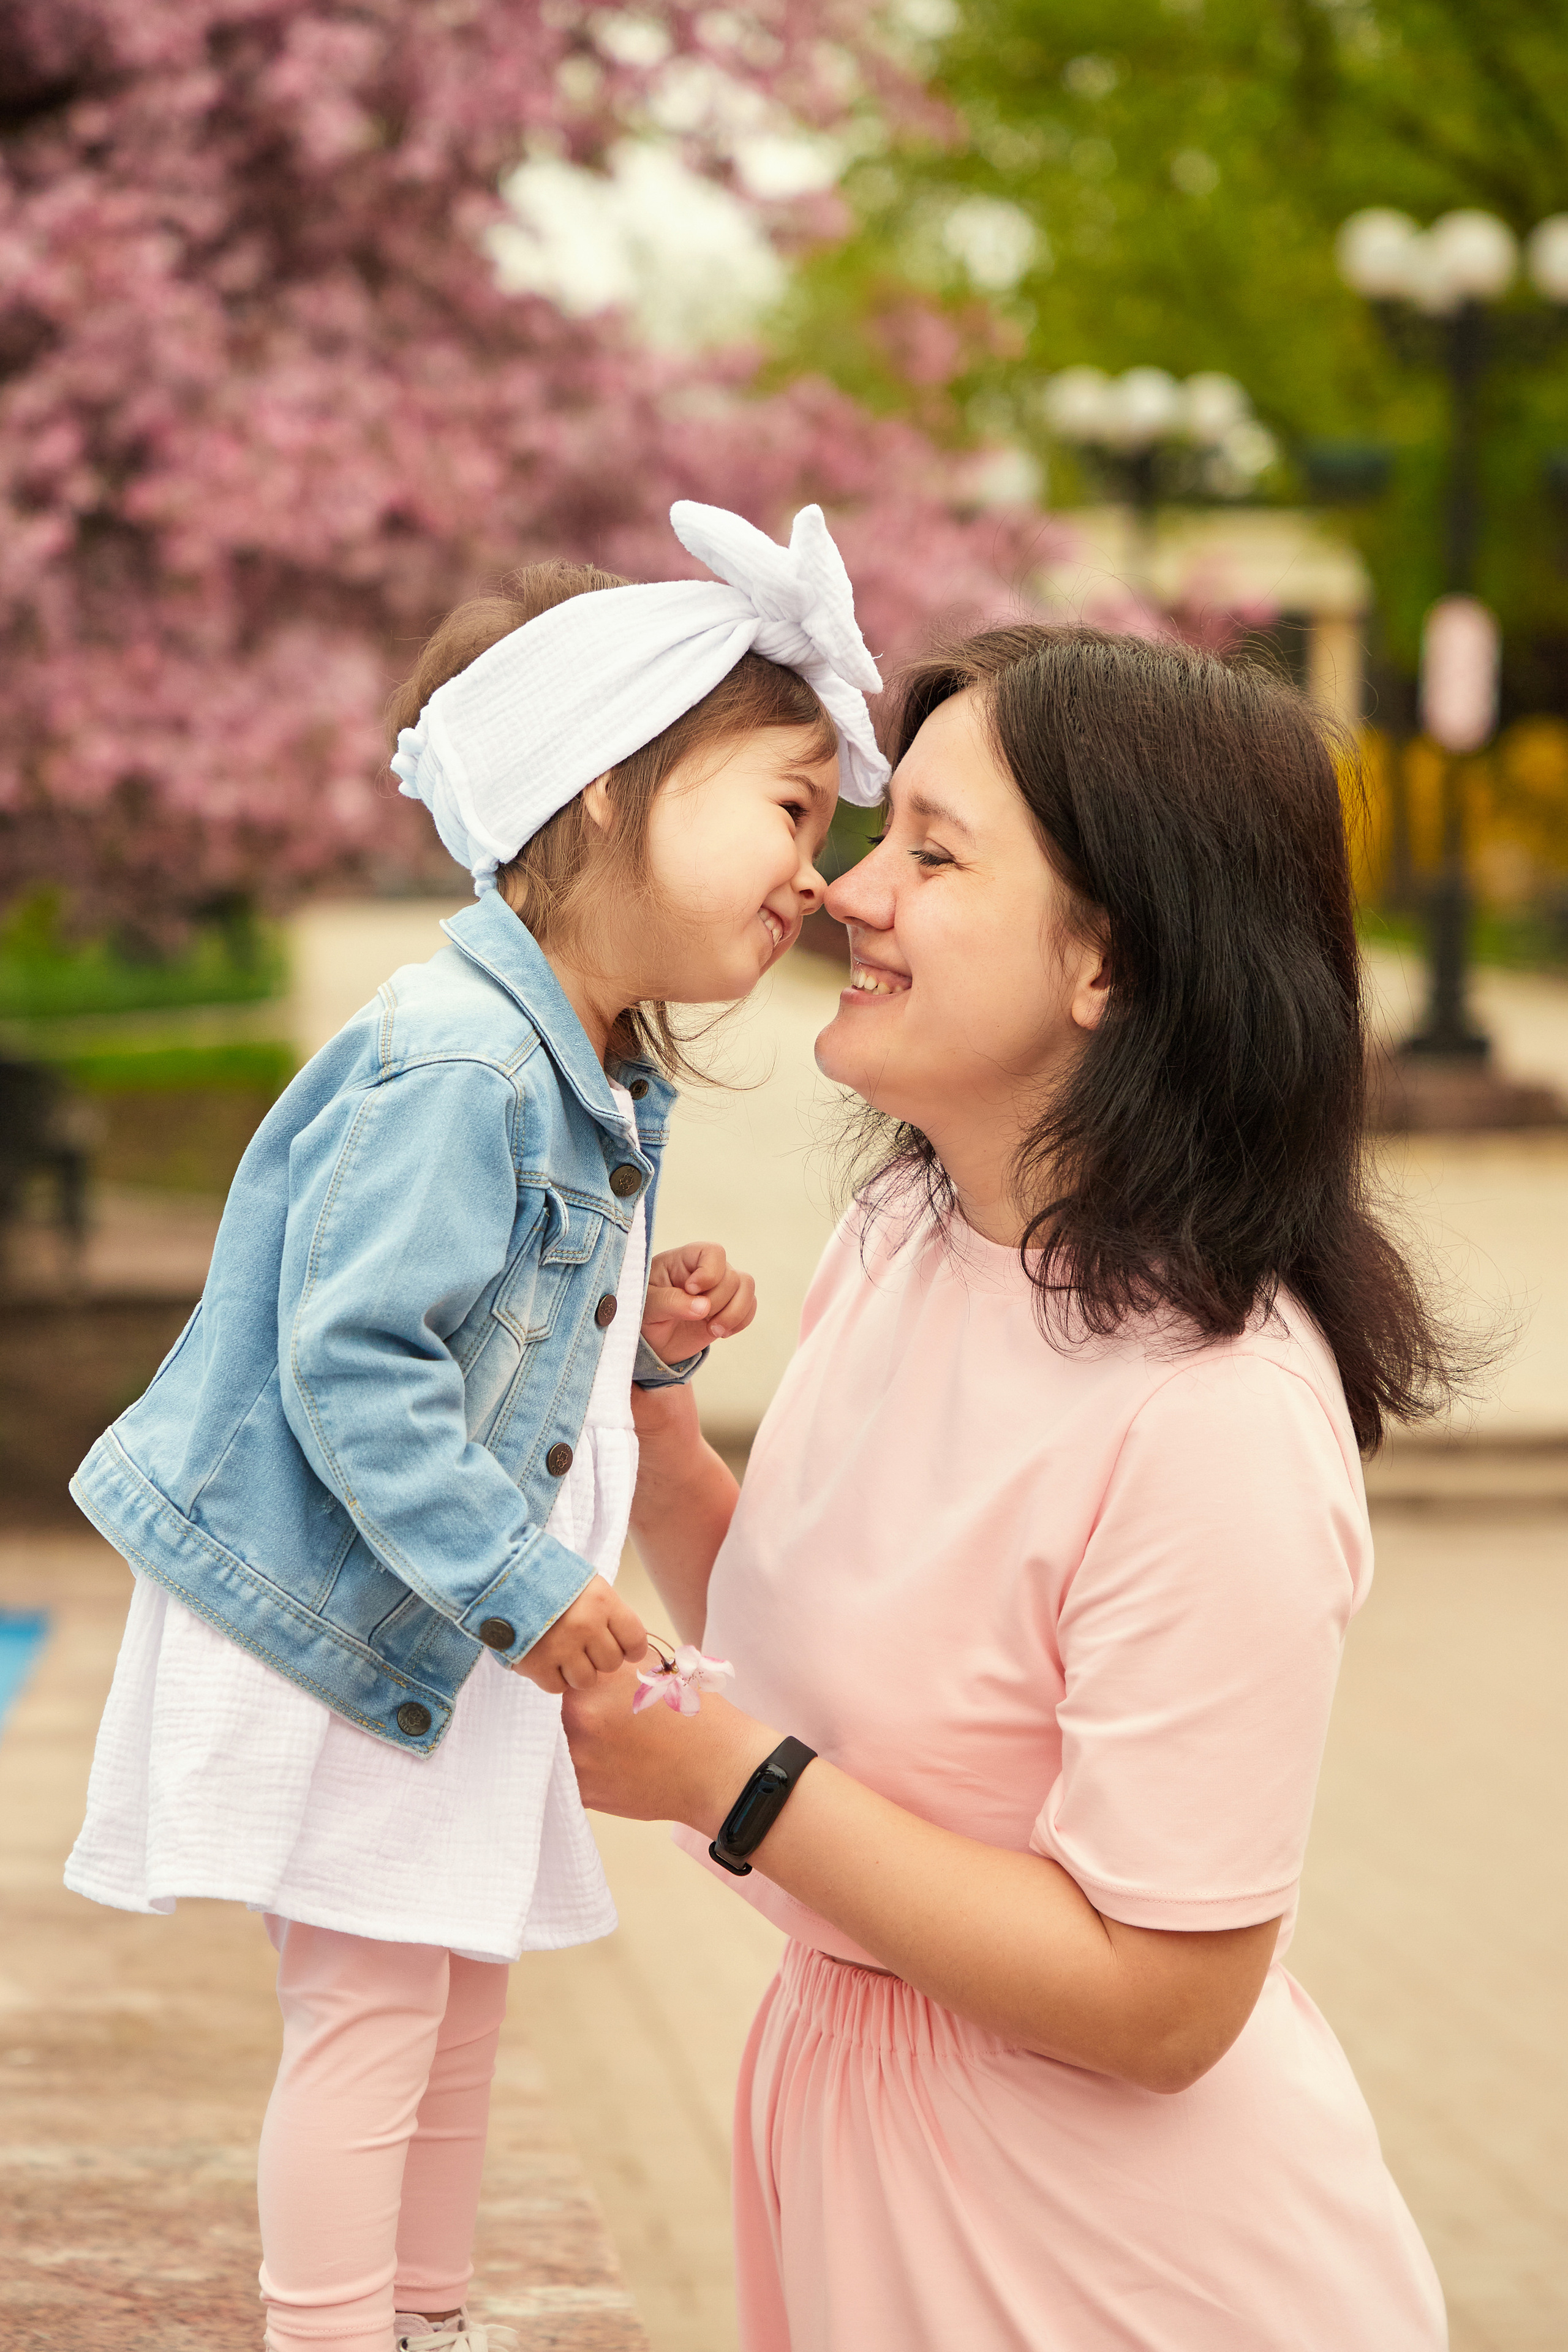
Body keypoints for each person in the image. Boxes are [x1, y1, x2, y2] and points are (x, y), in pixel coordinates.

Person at [564, 625, 1457, 2351]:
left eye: (933, 853)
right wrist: (663, 1448)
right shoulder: (908, 1235)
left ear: (1108, 963)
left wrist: (733, 1785)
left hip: (1107, 2258)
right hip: (863, 2155)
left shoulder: (1215, 1412)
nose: (846, 892)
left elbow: (1169, 1998)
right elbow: (848, 1665)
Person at [62, 502, 890, 2352]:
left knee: (451, 1991)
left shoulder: (570, 1058)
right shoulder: (462, 1059)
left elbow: (496, 1351)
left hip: (438, 1612)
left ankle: (419, 2315)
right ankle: (336, 2326)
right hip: (364, 1616)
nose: (815, 876)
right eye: (782, 806)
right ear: (598, 792)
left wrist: (644, 1358)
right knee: (373, 2007)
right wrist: (522, 1579)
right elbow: (355, 1369)